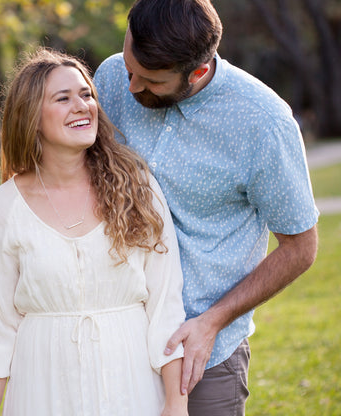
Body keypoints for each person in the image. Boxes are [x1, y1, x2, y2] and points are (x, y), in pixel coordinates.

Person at [93, 0, 319, 414]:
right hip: (114, 332)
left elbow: (300, 248)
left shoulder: (265, 124)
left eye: (151, 81)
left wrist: (213, 321)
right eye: (130, 68)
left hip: (200, 350)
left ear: (197, 71)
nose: (130, 88)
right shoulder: (109, 77)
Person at [0, 47, 189, 416]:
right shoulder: (3, 207)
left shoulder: (137, 186)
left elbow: (165, 306)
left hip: (132, 385)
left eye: (87, 94)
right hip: (42, 390)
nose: (82, 105)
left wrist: (176, 404)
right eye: (63, 98)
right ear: (31, 117)